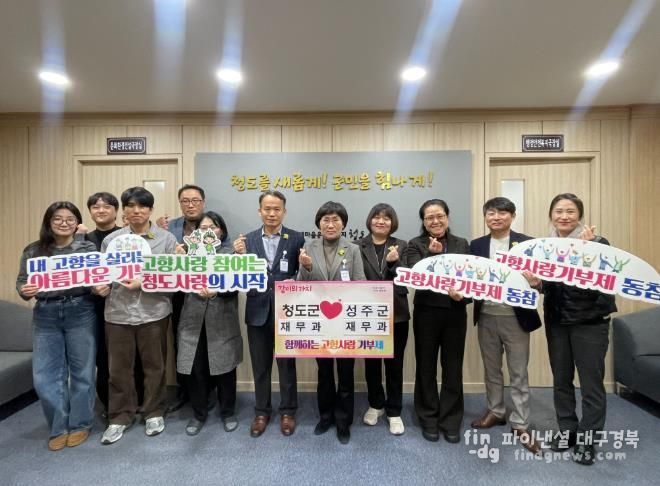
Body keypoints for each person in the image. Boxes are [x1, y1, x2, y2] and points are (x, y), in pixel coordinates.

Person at [524, 193, 617, 465]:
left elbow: (607, 281)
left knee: (591, 384)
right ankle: (567, 430)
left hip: (590, 322)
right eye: (559, 211)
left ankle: (588, 440)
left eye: (570, 211)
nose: (564, 216)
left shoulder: (598, 243)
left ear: (580, 215)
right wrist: (537, 284)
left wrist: (586, 252)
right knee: (561, 379)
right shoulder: (545, 247)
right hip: (557, 322)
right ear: (551, 215)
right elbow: (550, 285)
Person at [16, 202, 99, 451]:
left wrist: (100, 286)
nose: (64, 223)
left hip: (80, 310)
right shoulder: (34, 250)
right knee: (45, 376)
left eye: (70, 219)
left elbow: (97, 278)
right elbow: (22, 282)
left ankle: (81, 423)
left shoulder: (87, 248)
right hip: (45, 313)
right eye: (58, 219)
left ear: (77, 223)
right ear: (48, 222)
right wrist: (25, 290)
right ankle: (58, 426)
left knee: (82, 372)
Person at [98, 187, 178, 445]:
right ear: (124, 210)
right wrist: (99, 286)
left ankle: (154, 412)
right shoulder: (112, 240)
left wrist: (143, 282)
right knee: (118, 369)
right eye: (131, 206)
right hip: (118, 314)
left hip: (154, 312)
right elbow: (103, 274)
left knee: (155, 366)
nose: (136, 211)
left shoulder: (166, 239)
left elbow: (173, 278)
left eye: (142, 206)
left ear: (150, 210)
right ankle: (119, 416)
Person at [469, 197, 542, 454]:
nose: (496, 217)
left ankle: (521, 423)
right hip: (486, 315)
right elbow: (469, 277)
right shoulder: (476, 245)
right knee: (492, 370)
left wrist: (536, 283)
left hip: (516, 316)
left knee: (518, 371)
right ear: (485, 217)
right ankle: (496, 411)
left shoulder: (528, 244)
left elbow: (541, 281)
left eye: (502, 213)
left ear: (512, 216)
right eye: (491, 213)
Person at [233, 190, 305, 438]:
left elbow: (301, 274)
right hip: (257, 310)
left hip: (287, 312)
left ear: (284, 211)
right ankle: (262, 412)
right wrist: (237, 255)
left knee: (287, 366)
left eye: (277, 209)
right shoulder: (247, 240)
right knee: (260, 366)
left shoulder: (296, 238)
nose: (272, 213)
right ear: (259, 211)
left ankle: (288, 411)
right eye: (267, 209)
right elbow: (238, 274)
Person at [298, 201, 366, 444]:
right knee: (324, 372)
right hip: (320, 322)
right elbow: (300, 284)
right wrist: (306, 267)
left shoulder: (353, 249)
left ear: (343, 224)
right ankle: (325, 416)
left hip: (345, 321)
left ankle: (343, 421)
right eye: (325, 220)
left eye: (335, 220)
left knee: (346, 373)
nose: (330, 224)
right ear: (319, 224)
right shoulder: (309, 247)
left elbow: (360, 282)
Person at [405, 199, 470, 444]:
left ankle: (451, 419)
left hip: (455, 312)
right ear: (423, 222)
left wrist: (464, 296)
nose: (435, 221)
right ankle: (428, 417)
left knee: (453, 367)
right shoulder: (415, 244)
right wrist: (431, 256)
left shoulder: (461, 243)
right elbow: (414, 276)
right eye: (429, 217)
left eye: (439, 216)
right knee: (426, 366)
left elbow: (472, 278)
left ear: (447, 217)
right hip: (427, 312)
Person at [177, 211, 243, 436]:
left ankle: (228, 412)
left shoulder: (230, 253)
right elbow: (173, 282)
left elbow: (238, 285)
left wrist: (217, 291)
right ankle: (199, 413)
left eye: (212, 227)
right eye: (203, 228)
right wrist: (177, 261)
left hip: (221, 318)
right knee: (195, 368)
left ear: (221, 231)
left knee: (225, 367)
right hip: (192, 319)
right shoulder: (186, 253)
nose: (208, 232)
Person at [356, 203, 410, 435]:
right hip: (367, 313)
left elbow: (406, 277)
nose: (381, 221)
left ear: (392, 222)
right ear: (370, 220)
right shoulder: (357, 245)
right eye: (376, 217)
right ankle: (376, 404)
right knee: (372, 363)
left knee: (395, 364)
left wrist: (394, 263)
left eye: (386, 218)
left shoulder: (403, 245)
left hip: (397, 313)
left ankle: (394, 411)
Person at [156, 184, 208, 413]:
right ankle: (184, 390)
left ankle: (207, 391)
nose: (190, 205)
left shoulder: (212, 224)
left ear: (203, 203)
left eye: (195, 200)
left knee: (206, 346)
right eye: (185, 201)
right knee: (181, 343)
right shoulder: (170, 227)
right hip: (177, 295)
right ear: (180, 203)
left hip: (206, 295)